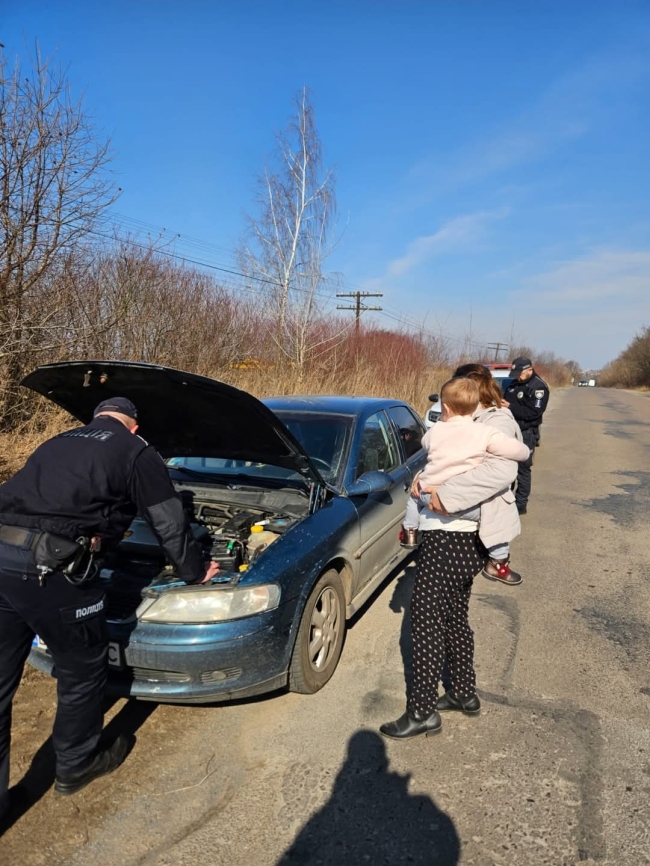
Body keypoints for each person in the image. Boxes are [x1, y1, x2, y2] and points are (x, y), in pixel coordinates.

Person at [0, 397, 218, 820]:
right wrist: (194, 571)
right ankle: (76, 765)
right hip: (50, 571)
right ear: (135, 426)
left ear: (97, 417)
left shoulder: (57, 441)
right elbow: (169, 520)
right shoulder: (135, 450)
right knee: (82, 669)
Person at [379, 365, 526, 740]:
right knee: (454, 617)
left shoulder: (493, 424)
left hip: (449, 538)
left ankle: (422, 711)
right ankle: (463, 692)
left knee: (425, 623)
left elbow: (502, 472)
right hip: (462, 540)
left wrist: (440, 495)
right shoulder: (475, 424)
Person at [401, 379, 529, 587]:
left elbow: (426, 446)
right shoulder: (484, 433)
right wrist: (524, 450)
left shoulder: (435, 431)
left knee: (415, 496)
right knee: (497, 511)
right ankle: (498, 560)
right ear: (476, 407)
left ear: (445, 407)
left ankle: (409, 532)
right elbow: (519, 452)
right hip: (463, 504)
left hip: (427, 495)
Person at [502, 357, 549, 515]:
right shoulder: (514, 384)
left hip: (526, 433)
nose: (517, 376)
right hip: (509, 431)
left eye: (519, 373)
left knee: (523, 469)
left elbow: (533, 413)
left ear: (529, 369)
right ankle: (506, 500)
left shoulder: (538, 387)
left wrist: (510, 407)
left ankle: (520, 504)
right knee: (507, 466)